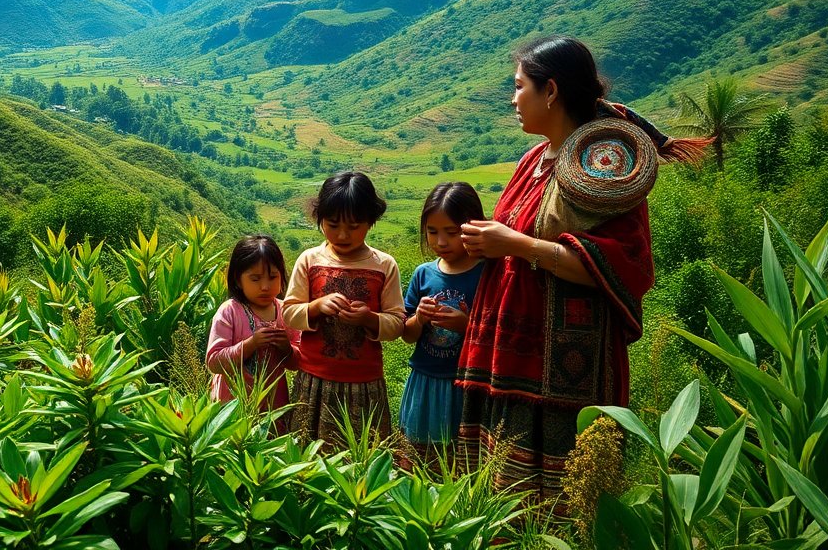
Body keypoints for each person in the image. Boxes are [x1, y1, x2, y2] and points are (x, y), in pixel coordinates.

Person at [456, 35, 706, 501]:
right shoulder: (534, 159)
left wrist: (516, 244)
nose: (513, 99)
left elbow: (622, 263)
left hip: (566, 364)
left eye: (518, 87)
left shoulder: (604, 170)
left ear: (550, 91)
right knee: (500, 496)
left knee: (564, 501)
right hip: (509, 353)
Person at [282, 171, 405, 445]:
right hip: (315, 378)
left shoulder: (383, 265)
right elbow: (289, 312)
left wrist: (369, 318)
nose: (342, 234)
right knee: (308, 455)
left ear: (371, 221)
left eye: (353, 226)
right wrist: (316, 306)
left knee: (361, 457)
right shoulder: (310, 260)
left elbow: (397, 322)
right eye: (333, 224)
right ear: (319, 218)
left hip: (364, 383)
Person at [399, 183, 485, 458]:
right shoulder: (423, 274)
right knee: (420, 458)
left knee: (462, 460)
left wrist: (466, 325)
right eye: (432, 232)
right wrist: (420, 318)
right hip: (425, 380)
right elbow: (408, 334)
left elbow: (496, 334)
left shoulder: (486, 272)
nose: (441, 242)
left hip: (467, 383)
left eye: (452, 233)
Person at [206, 235, 299, 415]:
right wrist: (250, 344)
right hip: (232, 407)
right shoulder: (230, 312)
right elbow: (214, 362)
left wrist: (287, 349)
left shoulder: (286, 312)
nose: (265, 286)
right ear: (238, 280)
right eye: (255, 279)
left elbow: (297, 362)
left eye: (273, 277)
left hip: (274, 407)